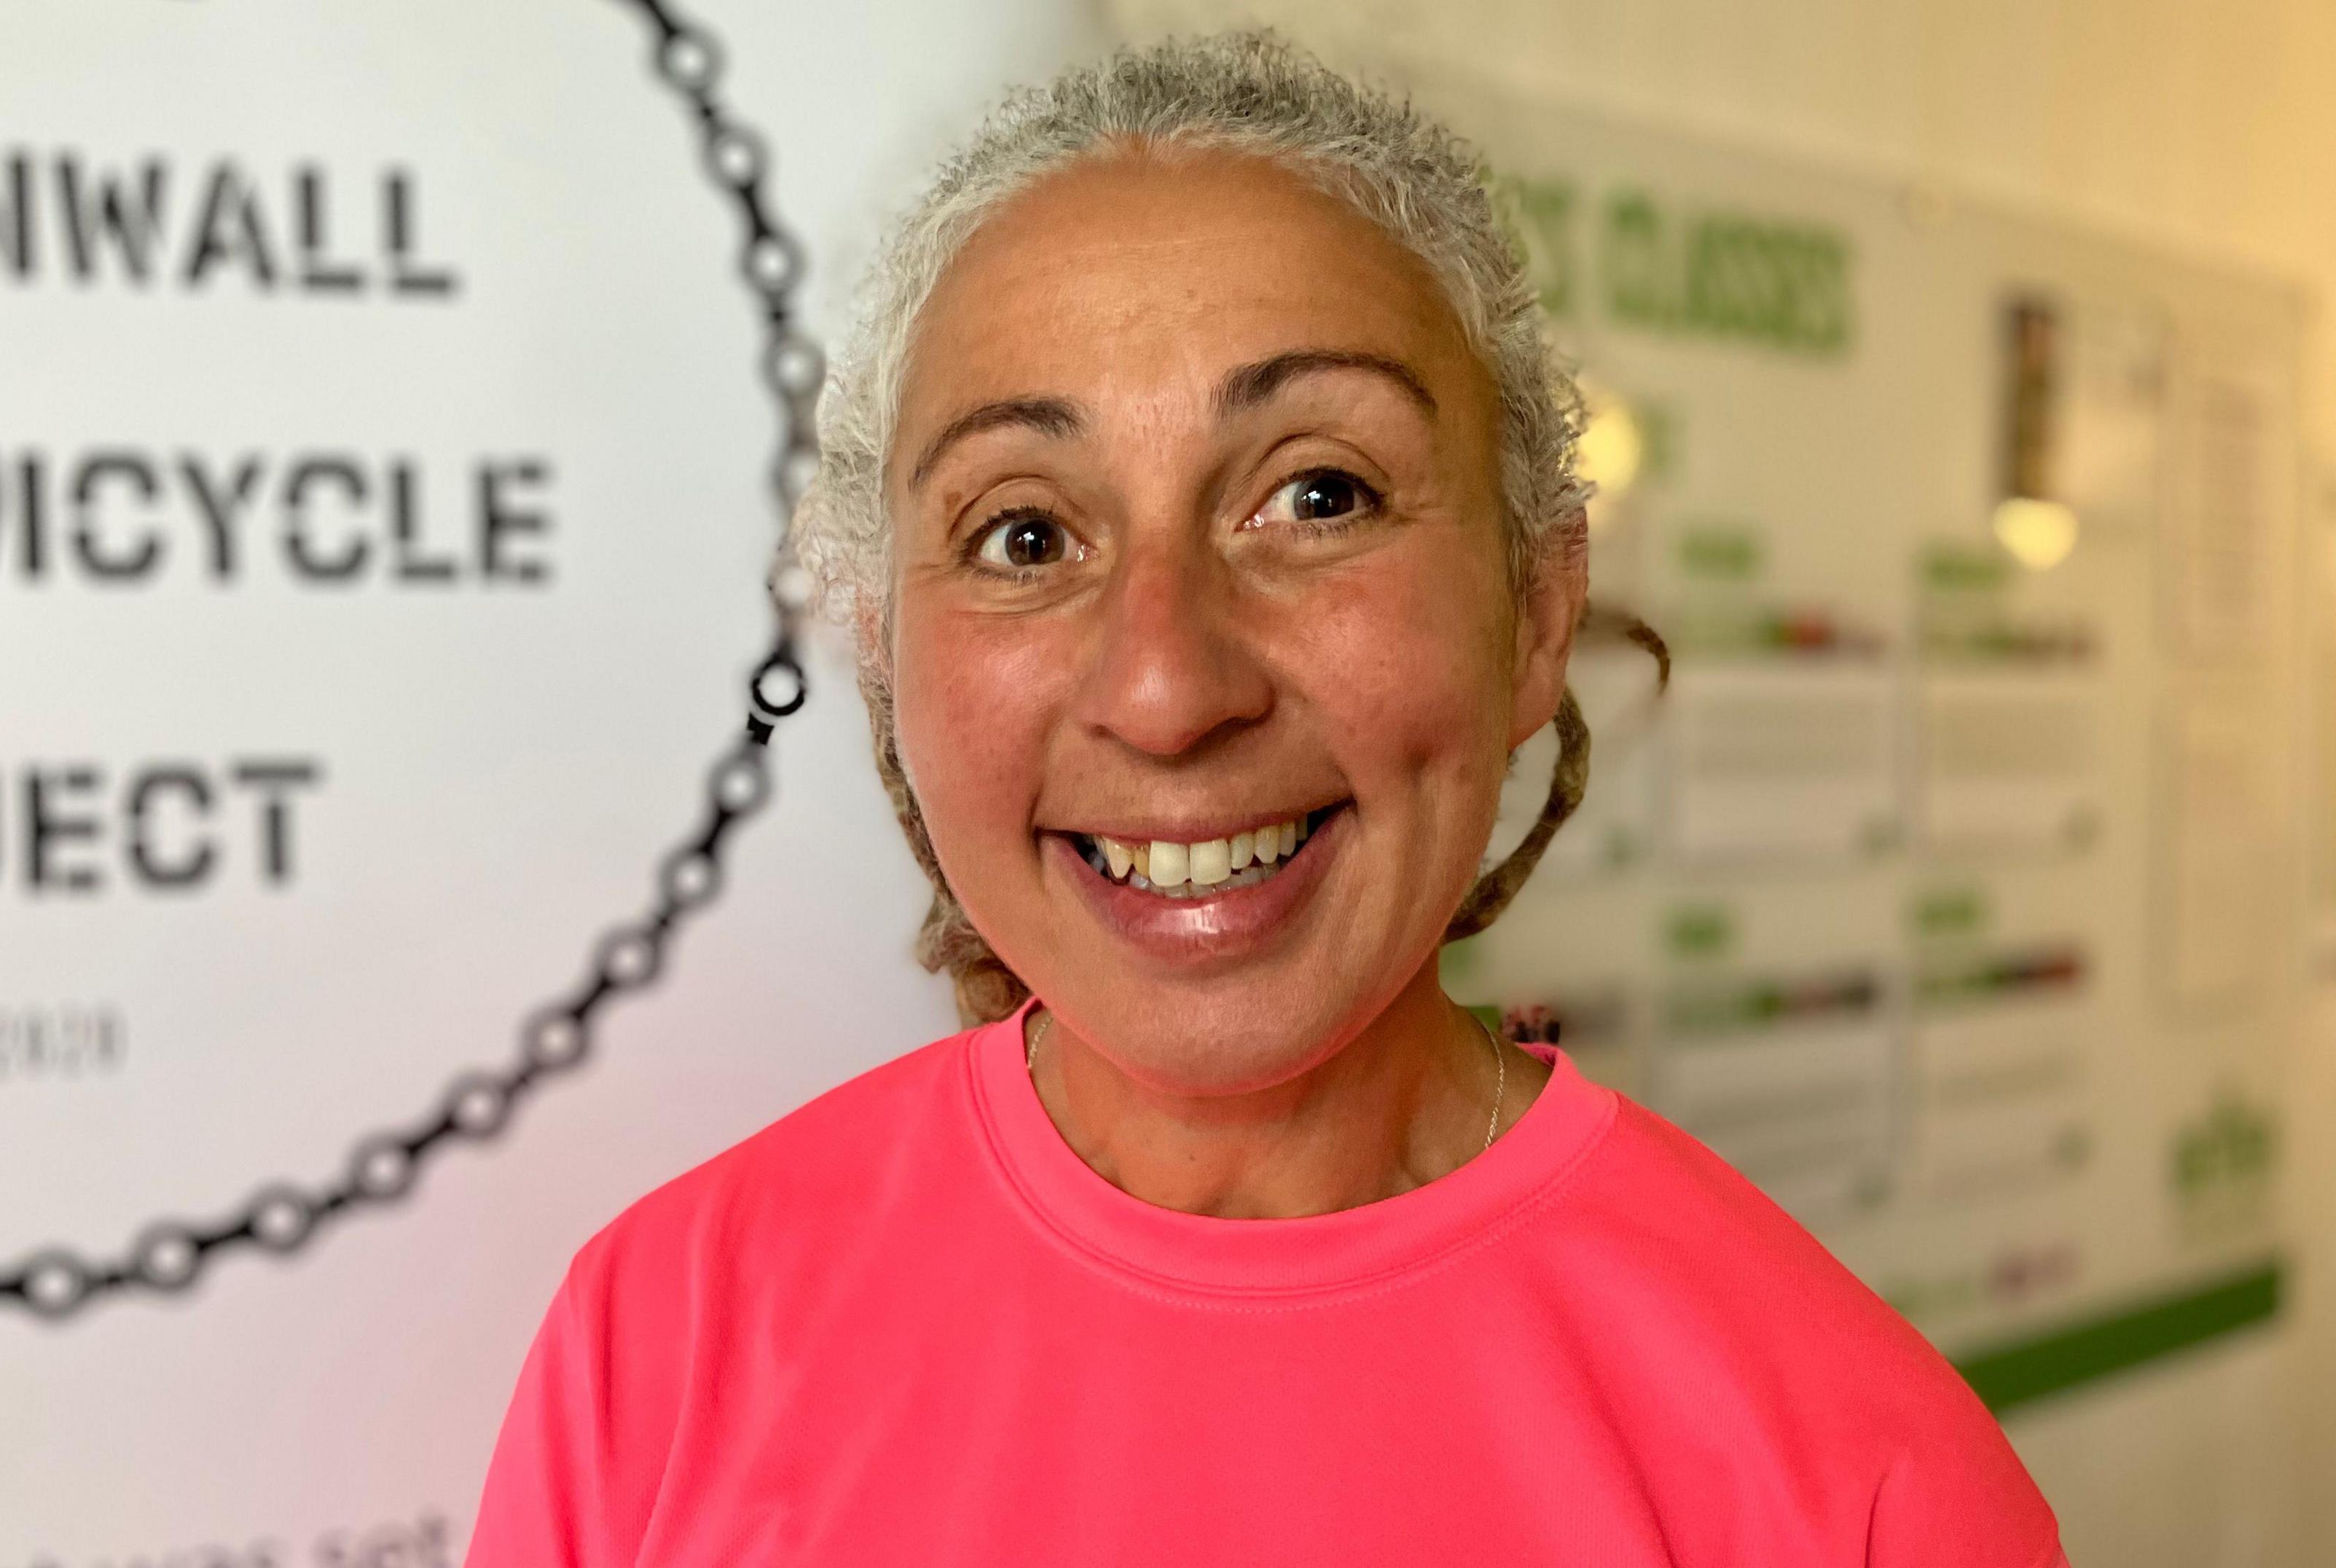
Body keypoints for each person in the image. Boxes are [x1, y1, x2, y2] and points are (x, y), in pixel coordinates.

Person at [470, 31, 2064, 1567]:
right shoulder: (657, 1347)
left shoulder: (1860, 1485)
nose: (1166, 690)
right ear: (888, 657)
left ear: (1537, 609)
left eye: (1319, 495)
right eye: (1028, 536)